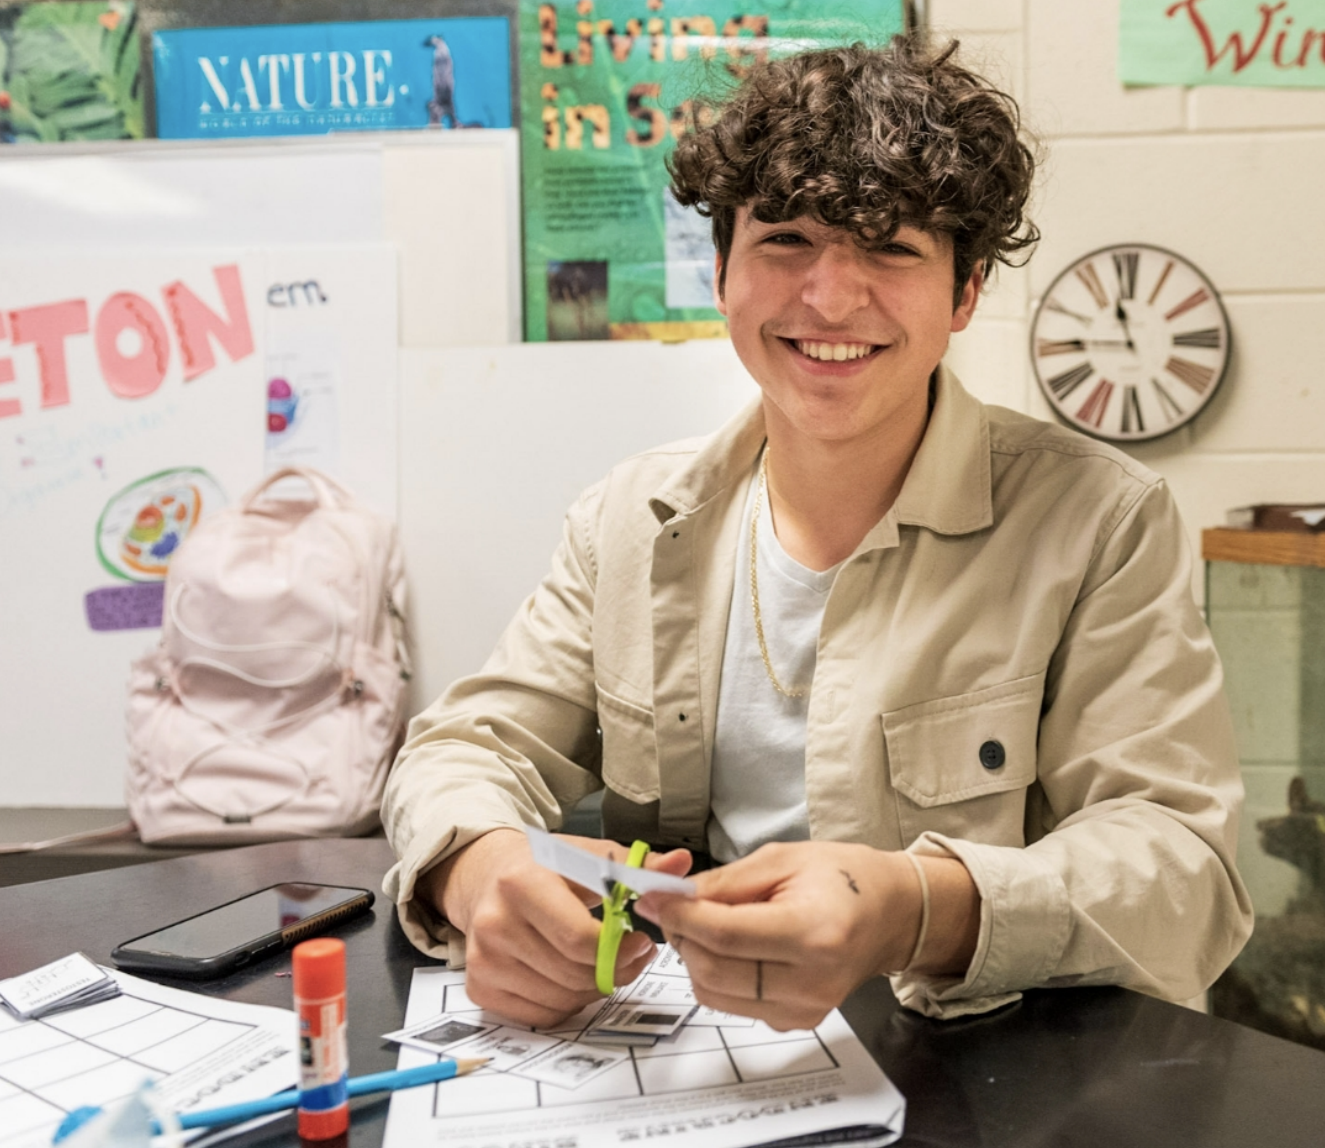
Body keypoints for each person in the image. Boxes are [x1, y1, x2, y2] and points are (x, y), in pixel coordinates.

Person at [381, 35, 1252, 1033]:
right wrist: (481, 866)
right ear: (721, 271)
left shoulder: (1100, 521)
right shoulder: (630, 520)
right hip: (682, 1059)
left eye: (890, 247)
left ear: (965, 291)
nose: (832, 296)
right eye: (785, 238)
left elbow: (1188, 871)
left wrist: (918, 908)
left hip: (977, 1070)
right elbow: (465, 744)